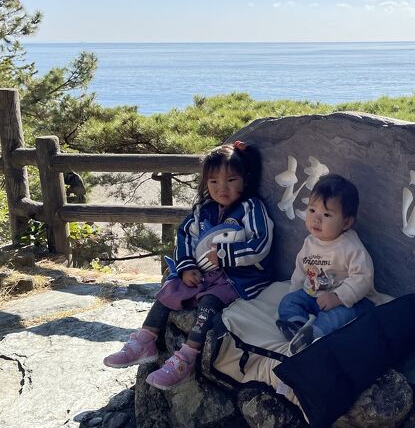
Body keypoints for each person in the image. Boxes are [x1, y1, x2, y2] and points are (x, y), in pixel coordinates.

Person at [103, 141, 274, 389]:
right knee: (169, 289)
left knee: (210, 301)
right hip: (205, 271)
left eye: (230, 180)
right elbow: (184, 236)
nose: (221, 188)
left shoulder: (251, 208)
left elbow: (261, 244)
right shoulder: (202, 210)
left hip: (238, 276)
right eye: (213, 182)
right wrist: (185, 267)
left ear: (245, 180)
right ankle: (144, 341)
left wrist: (225, 255)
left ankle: (186, 357)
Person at [276, 173, 381, 354]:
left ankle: (314, 335)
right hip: (315, 294)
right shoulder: (310, 242)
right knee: (288, 301)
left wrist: (338, 297)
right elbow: (301, 270)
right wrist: (296, 294)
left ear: (346, 222)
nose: (316, 219)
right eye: (312, 210)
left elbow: (363, 278)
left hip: (351, 301)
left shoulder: (350, 247)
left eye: (326, 214)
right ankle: (296, 325)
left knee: (336, 317)